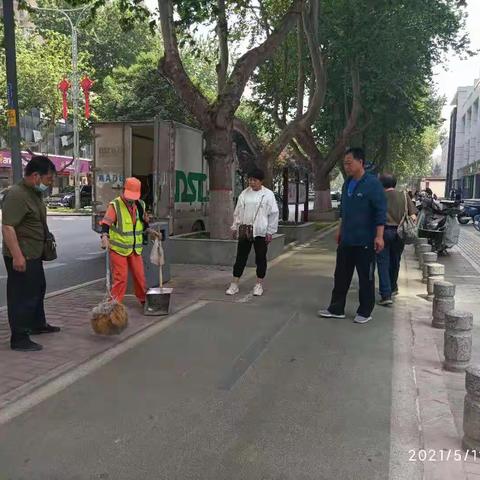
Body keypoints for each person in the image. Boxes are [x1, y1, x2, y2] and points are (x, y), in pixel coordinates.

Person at [318, 148, 386, 324]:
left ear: (360, 162)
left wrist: (379, 237)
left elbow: (380, 212)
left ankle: (365, 311)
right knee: (340, 275)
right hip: (347, 240)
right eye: (345, 163)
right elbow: (344, 210)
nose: (346, 166)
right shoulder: (347, 183)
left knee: (366, 277)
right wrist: (340, 230)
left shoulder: (372, 184)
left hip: (365, 240)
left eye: (349, 162)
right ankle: (336, 308)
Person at [2, 156, 60, 351]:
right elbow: (8, 227)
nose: (50, 184)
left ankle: (37, 324)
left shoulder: (33, 193)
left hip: (34, 253)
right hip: (22, 255)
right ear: (36, 176)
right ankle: (19, 337)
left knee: (37, 289)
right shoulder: (17, 195)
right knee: (22, 296)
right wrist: (17, 256)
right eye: (49, 179)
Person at [226, 168, 279, 297]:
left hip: (261, 231)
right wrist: (235, 227)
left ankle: (259, 284)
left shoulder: (268, 195)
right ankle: (234, 284)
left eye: (254, 180)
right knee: (240, 258)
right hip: (245, 230)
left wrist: (270, 231)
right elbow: (238, 212)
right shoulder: (244, 194)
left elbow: (274, 214)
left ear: (261, 181)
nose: (252, 182)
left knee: (260, 258)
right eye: (250, 180)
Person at [100, 177, 149, 304]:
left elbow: (144, 223)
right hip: (118, 248)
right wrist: (104, 237)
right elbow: (106, 223)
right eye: (129, 196)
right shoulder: (115, 205)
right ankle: (114, 304)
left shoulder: (140, 205)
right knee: (121, 278)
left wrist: (150, 231)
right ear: (123, 191)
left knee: (140, 276)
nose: (131, 200)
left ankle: (144, 300)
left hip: (134, 249)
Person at [376, 174, 417, 306]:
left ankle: (386, 294)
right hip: (400, 233)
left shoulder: (378, 196)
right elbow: (413, 216)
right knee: (395, 260)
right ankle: (393, 287)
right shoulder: (404, 196)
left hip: (383, 232)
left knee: (383, 262)